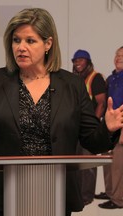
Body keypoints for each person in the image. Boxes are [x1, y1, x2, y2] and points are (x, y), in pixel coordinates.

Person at [0, 8, 123, 216]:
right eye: (16, 40)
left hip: (54, 195)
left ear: (48, 44)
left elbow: (93, 141)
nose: (21, 47)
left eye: (30, 41)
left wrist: (108, 128)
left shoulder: (72, 85)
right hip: (0, 198)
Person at [71, 49, 107, 205]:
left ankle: (86, 196)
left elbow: (101, 103)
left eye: (81, 60)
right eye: (75, 60)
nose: (77, 63)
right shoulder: (76, 79)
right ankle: (79, 194)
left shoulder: (95, 78)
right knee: (78, 163)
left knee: (88, 164)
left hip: (89, 128)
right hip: (77, 128)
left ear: (88, 62)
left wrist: (93, 125)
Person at [97, 46, 123, 209]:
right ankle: (110, 191)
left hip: (121, 122)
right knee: (107, 157)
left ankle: (118, 199)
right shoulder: (111, 78)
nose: (118, 57)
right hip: (109, 123)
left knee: (118, 162)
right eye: (116, 55)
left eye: (122, 55)